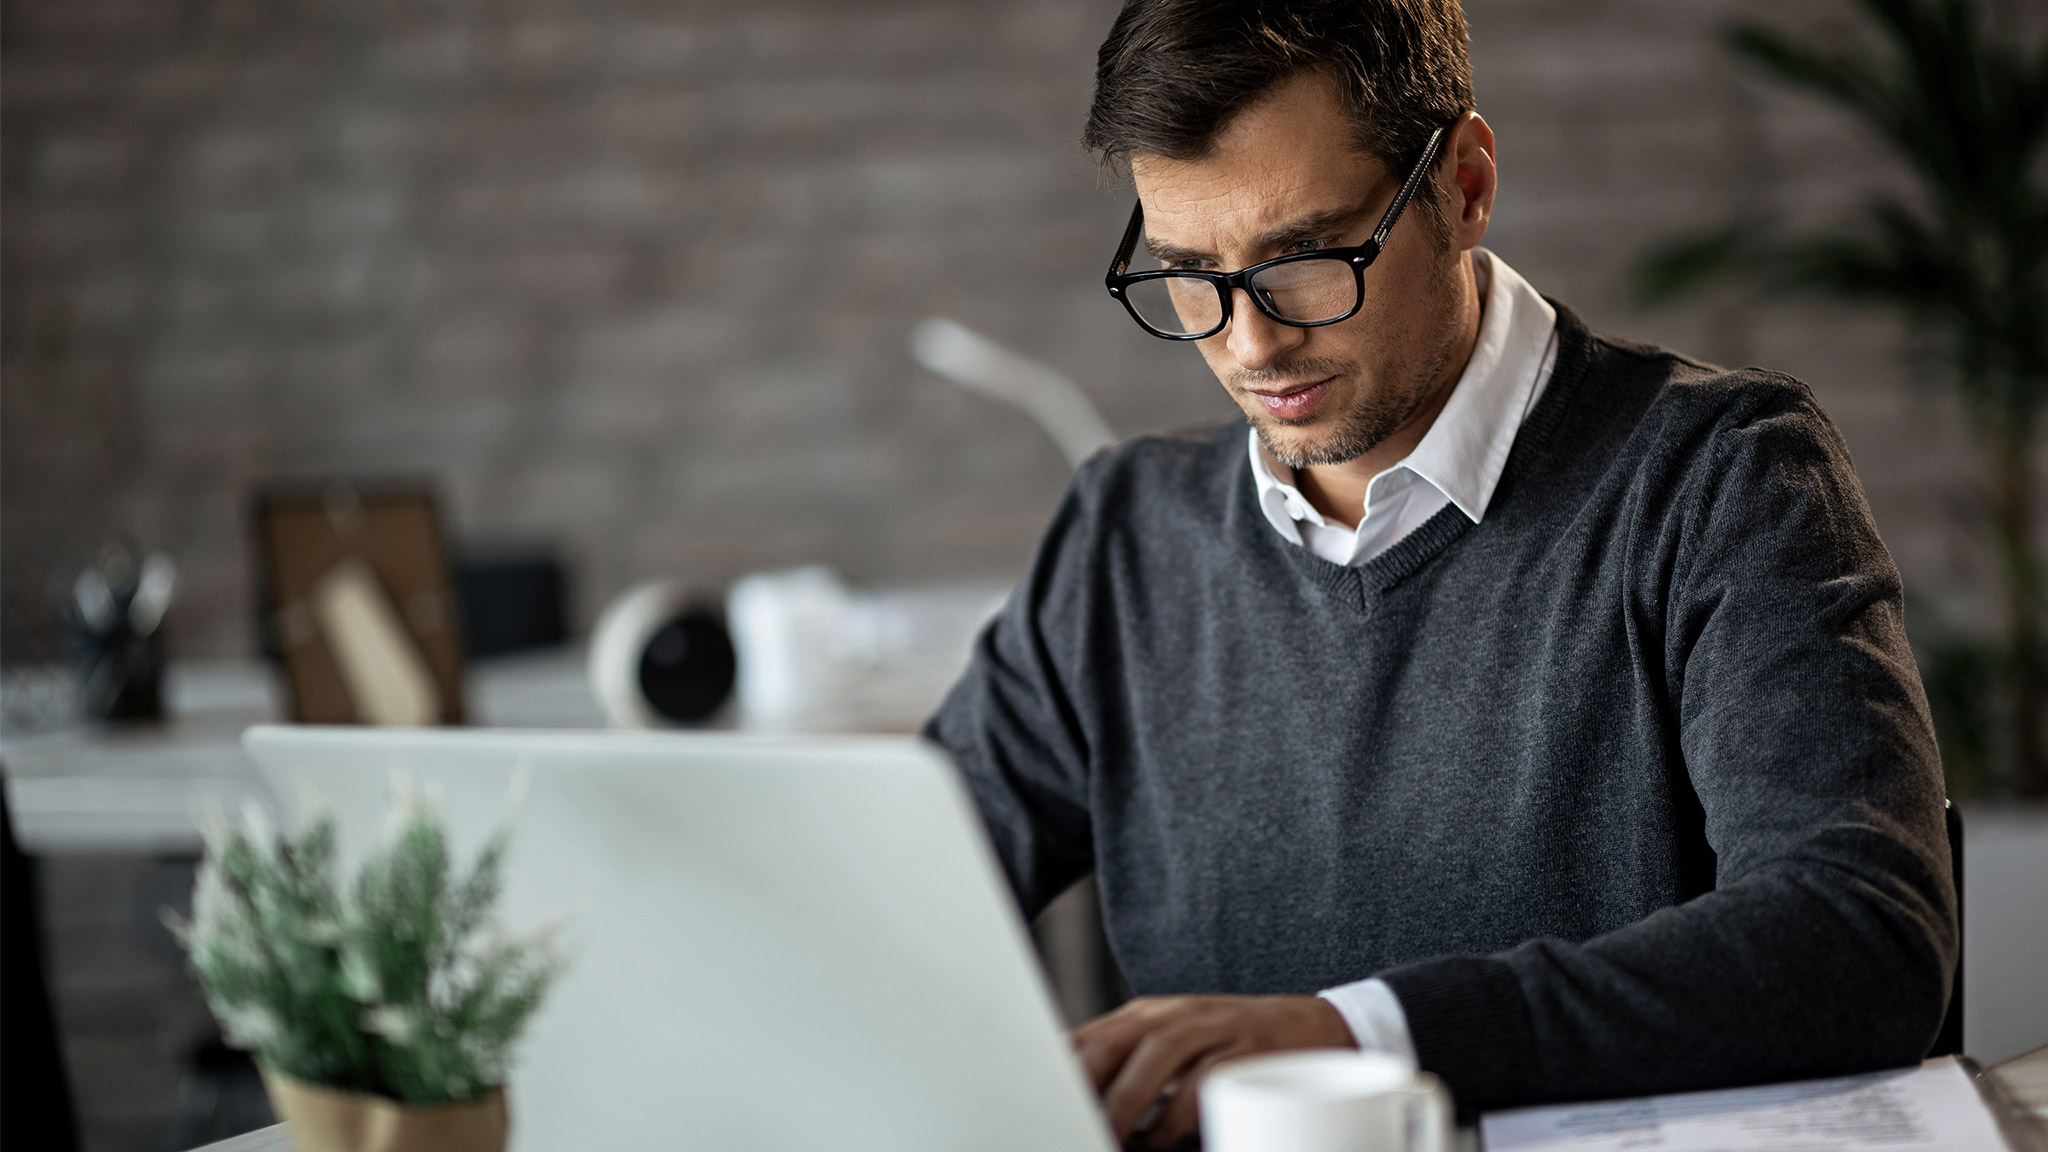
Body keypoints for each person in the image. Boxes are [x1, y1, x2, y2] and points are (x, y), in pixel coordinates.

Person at [923, 0, 1956, 1146]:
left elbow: (1856, 940)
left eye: (1304, 258)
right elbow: (878, 895)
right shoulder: (1125, 534)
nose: (1250, 344)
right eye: (1188, 272)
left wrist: (1353, 1038)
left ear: (1462, 185)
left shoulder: (1721, 478)